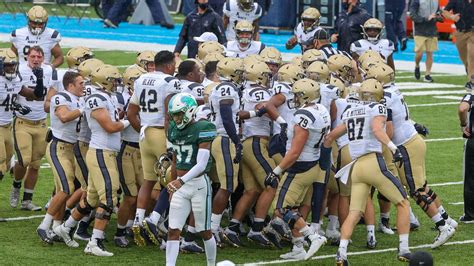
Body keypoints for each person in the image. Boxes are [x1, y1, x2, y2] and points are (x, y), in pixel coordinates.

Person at [323, 79, 412, 264]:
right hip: (372, 162)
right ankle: (403, 249)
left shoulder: (350, 110)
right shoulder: (377, 108)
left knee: (355, 212)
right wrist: (393, 147)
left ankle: (341, 253)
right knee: (403, 203)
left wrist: (326, 158)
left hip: (356, 167)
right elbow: (377, 129)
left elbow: (331, 136)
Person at [54, 65, 127, 256]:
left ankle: (66, 227)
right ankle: (95, 242)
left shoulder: (106, 97)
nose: (117, 84)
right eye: (113, 80)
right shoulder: (96, 98)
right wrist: (128, 122)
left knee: (92, 198)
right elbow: (110, 127)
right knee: (109, 198)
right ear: (104, 80)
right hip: (101, 152)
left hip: (104, 151)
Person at [127, 50, 181, 246]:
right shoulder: (170, 81)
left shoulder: (141, 79)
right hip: (160, 133)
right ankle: (160, 223)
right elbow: (170, 114)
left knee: (149, 181)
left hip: (145, 134)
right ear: (168, 66)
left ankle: (138, 221)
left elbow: (130, 112)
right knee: (173, 181)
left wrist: (141, 129)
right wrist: (172, 140)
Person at [165, 93, 217, 266]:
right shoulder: (172, 128)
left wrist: (180, 181)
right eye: (174, 114)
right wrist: (173, 184)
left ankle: (211, 264)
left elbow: (201, 165)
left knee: (204, 231)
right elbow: (175, 159)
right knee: (173, 230)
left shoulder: (203, 127)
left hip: (198, 186)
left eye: (179, 113)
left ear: (190, 111)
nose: (176, 118)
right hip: (180, 185)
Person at [36, 72, 85, 245]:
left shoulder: (80, 99)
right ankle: (44, 225)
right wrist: (83, 109)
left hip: (73, 149)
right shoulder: (61, 97)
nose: (83, 86)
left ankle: (57, 227)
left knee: (62, 190)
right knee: (67, 188)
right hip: (59, 147)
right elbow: (64, 117)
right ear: (71, 85)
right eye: (80, 83)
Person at [10, 46, 58, 211]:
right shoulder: (19, 70)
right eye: (33, 56)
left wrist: (50, 101)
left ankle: (27, 201)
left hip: (41, 122)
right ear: (26, 57)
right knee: (24, 160)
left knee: (36, 164)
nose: (36, 59)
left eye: (39, 56)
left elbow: (53, 88)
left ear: (43, 57)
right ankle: (16, 185)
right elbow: (14, 92)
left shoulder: (49, 70)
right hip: (23, 121)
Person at [0, 49, 46, 181]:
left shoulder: (16, 79)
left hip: (7, 126)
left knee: (7, 164)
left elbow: (35, 95)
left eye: (13, 65)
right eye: (7, 65)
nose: (11, 68)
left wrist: (40, 79)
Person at [442, 0, 474, 91]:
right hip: (461, 33)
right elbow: (444, 11)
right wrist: (452, 16)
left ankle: (471, 81)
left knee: (472, 56)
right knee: (465, 59)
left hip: (473, 32)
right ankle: (469, 72)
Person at [409, 0, 443, 83]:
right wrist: (426, 19)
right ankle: (417, 66)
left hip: (432, 31)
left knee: (430, 53)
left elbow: (439, 14)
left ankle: (428, 75)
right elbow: (412, 15)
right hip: (419, 30)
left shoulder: (436, 1)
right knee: (419, 52)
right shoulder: (416, 1)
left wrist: (439, 17)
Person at [458, 92, 474, 222]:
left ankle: (470, 214)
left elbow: (463, 108)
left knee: (470, 178)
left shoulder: (471, 94)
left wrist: (463, 124)